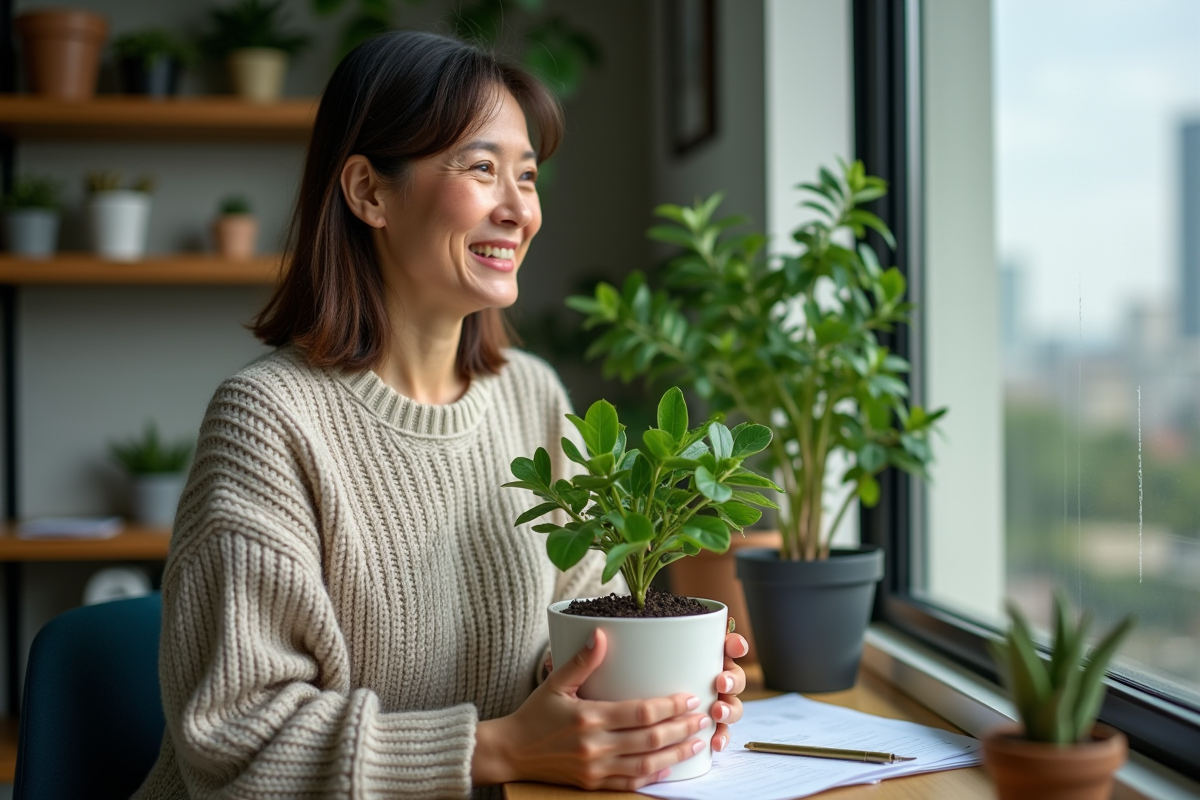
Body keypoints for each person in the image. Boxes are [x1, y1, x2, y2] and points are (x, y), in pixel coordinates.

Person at [133, 30, 747, 799]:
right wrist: (492, 752)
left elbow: (564, 653)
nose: (521, 209)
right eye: (483, 169)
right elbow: (233, 747)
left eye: (527, 176)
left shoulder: (533, 397)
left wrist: (653, 693)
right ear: (368, 193)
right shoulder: (267, 423)